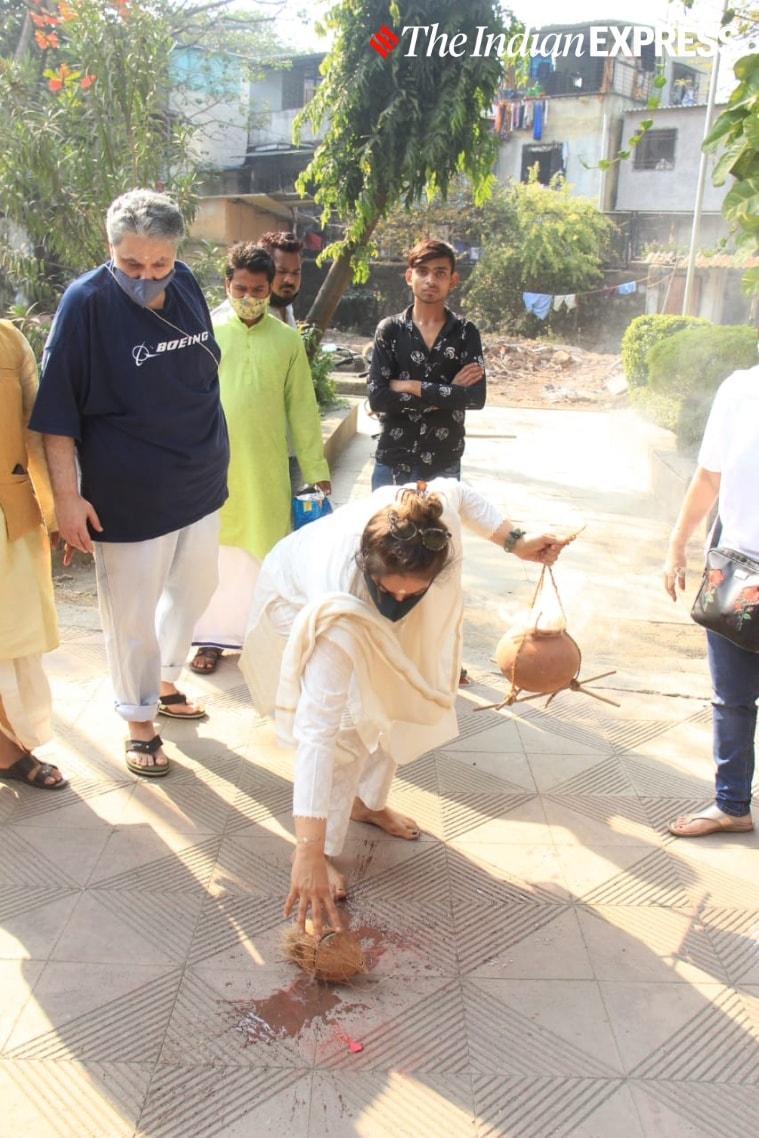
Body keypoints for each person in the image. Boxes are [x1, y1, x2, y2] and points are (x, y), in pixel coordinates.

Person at [240, 478, 568, 936]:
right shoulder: (339, 599)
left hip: (363, 594)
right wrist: (308, 849)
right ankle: (327, 849)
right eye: (388, 591)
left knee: (396, 696)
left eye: (410, 593)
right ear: (367, 565)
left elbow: (460, 491)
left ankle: (366, 803)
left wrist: (515, 541)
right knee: (347, 730)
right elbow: (317, 730)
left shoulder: (433, 520)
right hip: (294, 599)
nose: (397, 602)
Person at [29, 188, 229, 778]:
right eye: (131, 265)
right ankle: (139, 718)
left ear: (176, 254)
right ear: (109, 250)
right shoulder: (84, 303)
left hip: (198, 477)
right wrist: (67, 497)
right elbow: (57, 413)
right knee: (131, 613)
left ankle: (164, 677)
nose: (146, 277)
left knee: (198, 587)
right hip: (128, 490)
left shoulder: (188, 284)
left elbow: (204, 370)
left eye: (158, 264)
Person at [191, 243, 330, 674]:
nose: (249, 297)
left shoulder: (287, 341)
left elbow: (303, 410)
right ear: (227, 285)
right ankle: (208, 641)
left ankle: (258, 639)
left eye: (259, 289)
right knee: (214, 554)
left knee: (263, 555)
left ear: (272, 290)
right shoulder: (206, 334)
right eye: (241, 288)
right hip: (212, 467)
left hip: (267, 469)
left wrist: (317, 471)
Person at [664, 363, 759, 837]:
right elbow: (709, 476)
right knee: (732, 699)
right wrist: (676, 543)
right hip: (739, 572)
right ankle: (732, 805)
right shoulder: (739, 390)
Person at [0, 321, 67, 790]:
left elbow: (36, 432)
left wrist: (56, 509)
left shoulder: (9, 340)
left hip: (10, 515)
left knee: (12, 641)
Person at [367, 237, 486, 491]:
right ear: (410, 276)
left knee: (437, 532)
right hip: (393, 461)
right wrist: (447, 393)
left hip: (444, 463)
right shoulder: (389, 331)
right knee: (385, 531)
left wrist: (409, 385)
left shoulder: (466, 333)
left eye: (440, 273)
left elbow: (475, 398)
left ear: (452, 280)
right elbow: (378, 398)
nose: (430, 280)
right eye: (423, 272)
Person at [256, 231, 303, 327]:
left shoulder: (287, 307)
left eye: (295, 272)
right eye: (282, 271)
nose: (290, 280)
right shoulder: (246, 314)